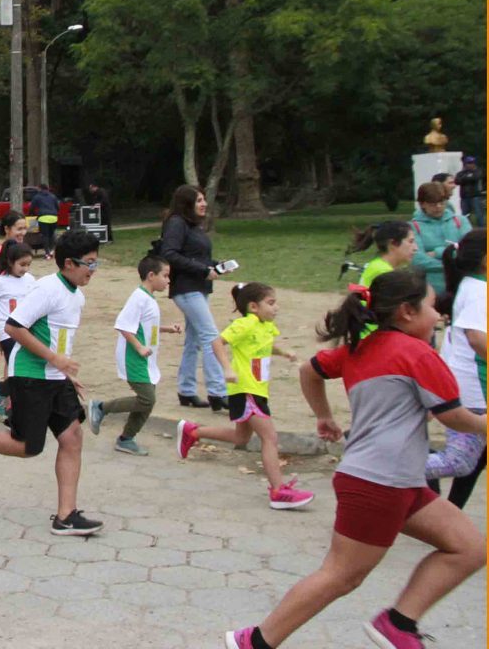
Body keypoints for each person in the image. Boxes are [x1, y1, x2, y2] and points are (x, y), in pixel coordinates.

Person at [225, 269, 487, 649]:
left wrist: (323, 415)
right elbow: (453, 417)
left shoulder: (361, 348)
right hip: (379, 482)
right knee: (341, 575)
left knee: (470, 547)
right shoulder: (418, 353)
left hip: (398, 480)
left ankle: (398, 624)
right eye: (432, 307)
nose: (439, 316)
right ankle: (256, 641)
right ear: (406, 312)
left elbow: (308, 370)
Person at [0, 230, 103, 537]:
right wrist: (55, 360)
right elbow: (14, 327)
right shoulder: (47, 289)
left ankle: (66, 516)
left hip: (55, 377)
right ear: (69, 263)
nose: (92, 270)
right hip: (30, 376)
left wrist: (66, 372)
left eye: (96, 263)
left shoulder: (76, 296)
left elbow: (57, 339)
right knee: (27, 447)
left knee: (72, 437)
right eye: (89, 263)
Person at [176, 283, 314, 509]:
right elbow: (217, 342)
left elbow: (265, 344)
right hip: (246, 390)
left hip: (258, 389)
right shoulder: (245, 324)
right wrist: (227, 369)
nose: (276, 307)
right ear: (253, 307)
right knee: (270, 438)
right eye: (271, 303)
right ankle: (278, 492)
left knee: (241, 438)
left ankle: (193, 431)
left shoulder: (265, 325)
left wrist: (284, 352)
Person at [89, 255, 182, 456]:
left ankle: (126, 439)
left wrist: (167, 329)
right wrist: (139, 347)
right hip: (134, 357)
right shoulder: (138, 298)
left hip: (147, 359)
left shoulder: (148, 298)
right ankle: (101, 407)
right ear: (151, 275)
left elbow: (146, 325)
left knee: (147, 401)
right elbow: (123, 325)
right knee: (147, 399)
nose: (168, 280)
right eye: (165, 276)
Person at [425, 229, 486, 502]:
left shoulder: (474, 284)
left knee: (471, 460)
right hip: (476, 389)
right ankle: (385, 462)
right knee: (459, 462)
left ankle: (450, 513)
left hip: (468, 384)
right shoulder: (479, 290)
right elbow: (476, 338)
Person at [160, 185, 228, 411]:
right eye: (199, 200)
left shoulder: (193, 226)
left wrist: (216, 265)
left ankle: (186, 391)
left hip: (199, 287)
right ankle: (218, 392)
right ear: (186, 203)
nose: (204, 204)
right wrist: (202, 270)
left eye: (204, 200)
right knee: (211, 337)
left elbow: (197, 256)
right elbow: (169, 253)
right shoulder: (176, 223)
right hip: (186, 288)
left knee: (195, 340)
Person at [0, 241, 36, 417]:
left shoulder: (30, 280)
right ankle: (3, 393)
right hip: (8, 332)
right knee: (18, 368)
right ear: (10, 262)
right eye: (22, 264)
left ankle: (8, 395)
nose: (25, 269)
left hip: (28, 330)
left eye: (28, 265)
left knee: (26, 369)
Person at [410, 181, 472, 293]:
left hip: (462, 285)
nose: (438, 207)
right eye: (433, 204)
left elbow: (469, 251)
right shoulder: (413, 227)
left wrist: (437, 252)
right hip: (431, 288)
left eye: (442, 202)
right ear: (422, 204)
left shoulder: (460, 221)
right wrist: (452, 263)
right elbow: (417, 260)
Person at [347, 220, 417, 287]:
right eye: (410, 241)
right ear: (393, 243)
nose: (415, 248)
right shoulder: (384, 273)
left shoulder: (379, 266)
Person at [0, 211, 27, 285]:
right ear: (7, 229)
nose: (23, 233)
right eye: (19, 229)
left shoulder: (20, 248)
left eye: (25, 228)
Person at [30, 184, 60, 260]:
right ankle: (52, 251)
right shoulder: (53, 196)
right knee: (51, 234)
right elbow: (57, 207)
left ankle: (47, 254)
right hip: (54, 217)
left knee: (45, 236)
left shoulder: (37, 197)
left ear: (40, 189)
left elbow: (32, 207)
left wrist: (32, 214)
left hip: (43, 218)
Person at [455, 155, 484, 226]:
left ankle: (482, 229)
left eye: (472, 163)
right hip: (464, 196)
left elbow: (475, 178)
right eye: (468, 163)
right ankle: (466, 228)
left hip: (475, 196)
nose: (470, 165)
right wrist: (467, 177)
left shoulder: (478, 171)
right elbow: (457, 181)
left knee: (479, 214)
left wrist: (464, 179)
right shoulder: (461, 173)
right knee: (465, 215)